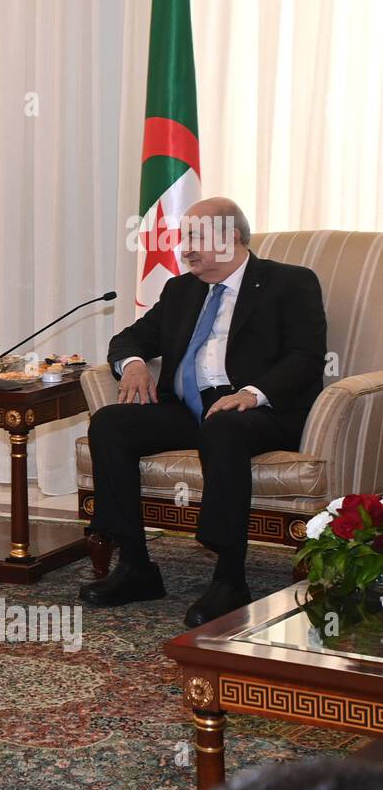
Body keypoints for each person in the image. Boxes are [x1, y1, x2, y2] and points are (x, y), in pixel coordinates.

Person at [80, 197, 327, 626]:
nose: (185, 248)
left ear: (230, 237)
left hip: (257, 411)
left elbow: (306, 357)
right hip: (190, 411)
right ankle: (136, 565)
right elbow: (129, 338)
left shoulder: (289, 282)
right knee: (110, 424)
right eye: (183, 238)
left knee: (224, 427)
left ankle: (230, 578)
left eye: (195, 237)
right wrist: (134, 364)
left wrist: (253, 393)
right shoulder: (181, 290)